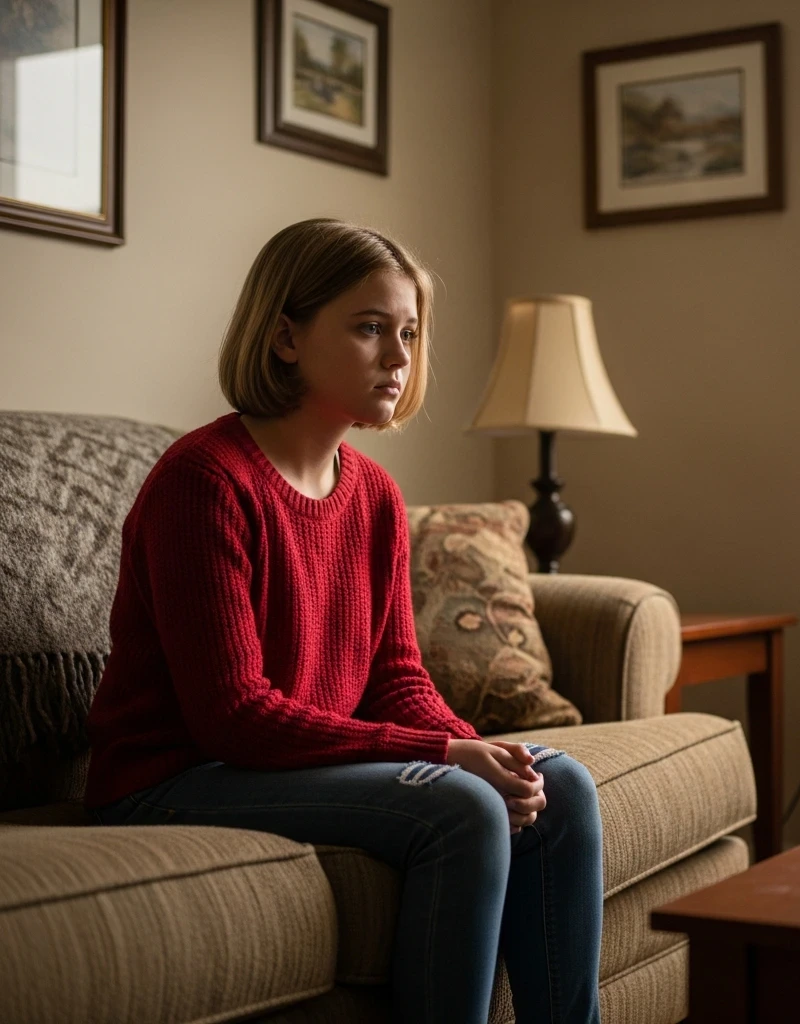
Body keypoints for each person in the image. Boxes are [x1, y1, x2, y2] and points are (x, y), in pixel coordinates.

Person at [83, 219, 604, 1024]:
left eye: (408, 332)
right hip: (172, 779)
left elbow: (397, 677)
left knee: (558, 783)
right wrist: (447, 758)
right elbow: (234, 718)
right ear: (285, 336)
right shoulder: (204, 480)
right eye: (369, 330)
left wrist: (486, 753)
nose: (400, 358)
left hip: (273, 766)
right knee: (460, 803)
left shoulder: (374, 495)